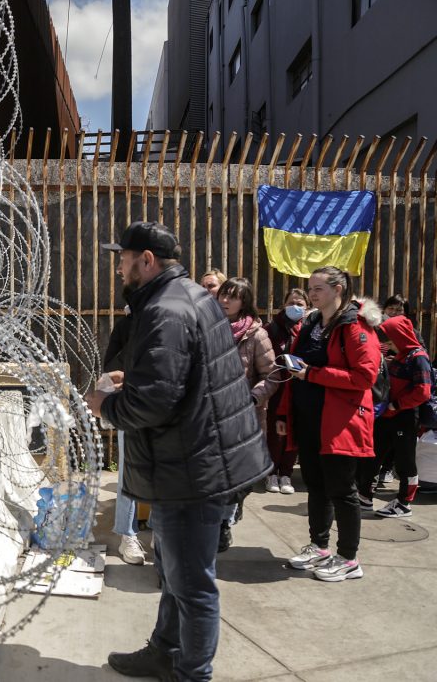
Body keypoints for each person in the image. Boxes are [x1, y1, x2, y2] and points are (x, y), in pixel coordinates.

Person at [88, 222, 270, 682]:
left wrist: (105, 403)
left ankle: (193, 674)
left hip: (195, 469)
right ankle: (164, 651)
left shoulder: (165, 311)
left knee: (192, 585)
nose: (120, 268)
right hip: (193, 460)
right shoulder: (190, 296)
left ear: (146, 260)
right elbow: (186, 378)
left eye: (124, 258)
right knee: (174, 573)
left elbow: (153, 404)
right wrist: (139, 381)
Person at [281, 267, 381, 583]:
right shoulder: (311, 323)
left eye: (318, 288)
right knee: (316, 484)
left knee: (342, 489)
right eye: (310, 288)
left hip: (340, 421)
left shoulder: (354, 326)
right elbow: (296, 369)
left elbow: (365, 376)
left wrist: (313, 374)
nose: (311, 294)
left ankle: (349, 558)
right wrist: (286, 412)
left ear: (338, 289)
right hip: (311, 419)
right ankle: (320, 547)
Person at [216, 277, 278, 550]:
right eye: (223, 295)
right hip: (212, 415)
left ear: (245, 301)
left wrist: (253, 396)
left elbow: (273, 374)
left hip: (245, 417)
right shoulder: (207, 327)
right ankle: (220, 527)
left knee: (241, 478)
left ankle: (229, 515)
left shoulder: (256, 334)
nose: (226, 301)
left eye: (234, 296)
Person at [358, 315, 433, 517]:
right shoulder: (401, 356)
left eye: (390, 341)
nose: (388, 345)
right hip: (388, 416)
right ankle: (364, 496)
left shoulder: (418, 358)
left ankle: (404, 502)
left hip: (406, 418)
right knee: (372, 455)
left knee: (405, 461)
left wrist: (396, 404)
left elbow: (423, 391)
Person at [104, 308, 145, 565]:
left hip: (170, 408)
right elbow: (111, 369)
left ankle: (160, 533)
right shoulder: (127, 326)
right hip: (133, 404)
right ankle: (127, 535)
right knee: (128, 472)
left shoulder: (180, 320)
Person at [264, 288, 308, 494]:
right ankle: (271, 473)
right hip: (278, 389)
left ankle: (286, 474)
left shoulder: (310, 329)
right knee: (275, 433)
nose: (296, 307)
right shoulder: (272, 329)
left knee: (294, 433)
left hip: (301, 389)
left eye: (300, 304)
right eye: (291, 303)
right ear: (283, 305)